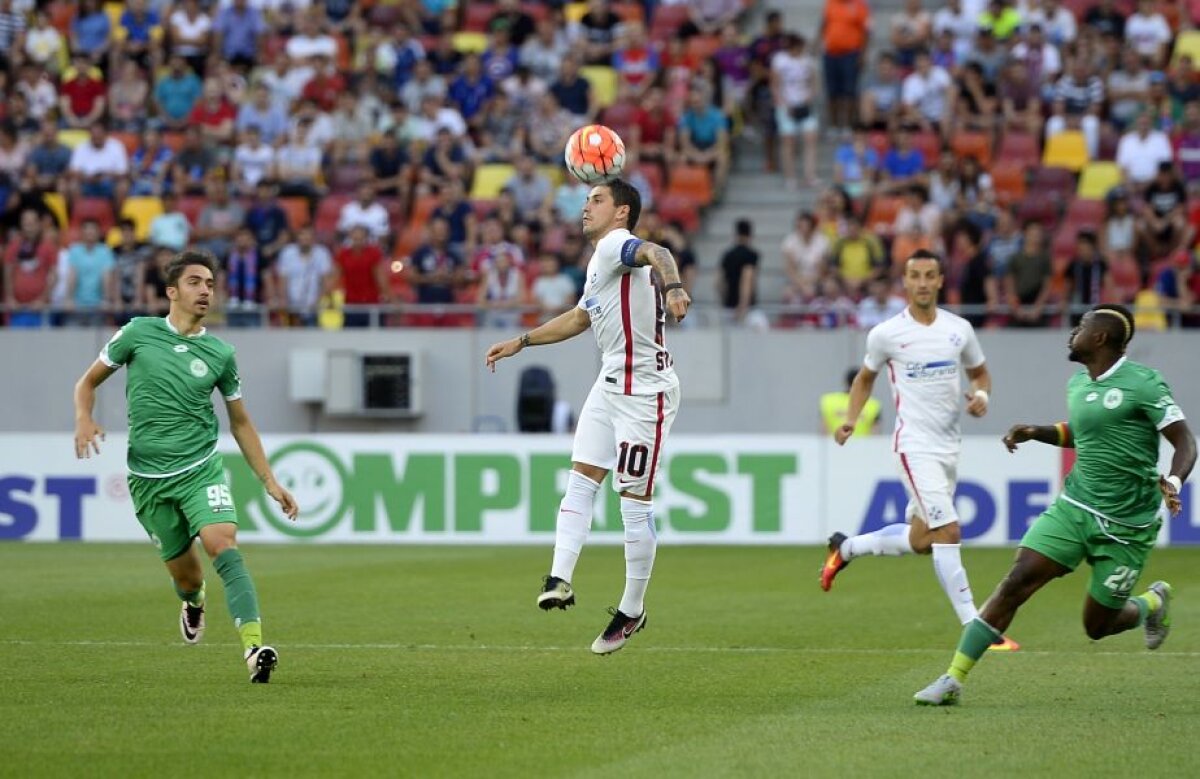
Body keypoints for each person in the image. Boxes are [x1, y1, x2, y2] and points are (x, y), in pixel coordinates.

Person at [915, 304, 1195, 705]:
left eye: (1080, 326)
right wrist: (1037, 432)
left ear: (1099, 338)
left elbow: (1185, 440)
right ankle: (952, 680)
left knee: (1097, 625)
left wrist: (1173, 480)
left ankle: (1152, 602)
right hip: (1075, 507)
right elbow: (1085, 433)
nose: (1072, 332)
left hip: (1126, 526)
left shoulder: (1144, 384)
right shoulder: (1079, 384)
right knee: (1017, 581)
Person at [72, 249, 298, 683]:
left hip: (200, 470)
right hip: (148, 479)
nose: (205, 290)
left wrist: (269, 479)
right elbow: (87, 382)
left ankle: (254, 648)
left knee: (223, 544)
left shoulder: (220, 353)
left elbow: (241, 422)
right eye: (196, 282)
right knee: (188, 577)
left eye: (210, 284)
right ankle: (193, 602)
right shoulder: (138, 333)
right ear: (172, 291)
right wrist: (84, 417)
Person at [484, 178, 690, 655]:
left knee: (633, 504)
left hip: (645, 393)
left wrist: (675, 287)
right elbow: (580, 318)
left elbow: (658, 253)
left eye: (597, 200)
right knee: (580, 479)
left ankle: (633, 609)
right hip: (610, 383)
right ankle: (559, 578)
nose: (585, 207)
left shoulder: (619, 244)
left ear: (621, 212)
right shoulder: (599, 262)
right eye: (586, 199)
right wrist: (522, 341)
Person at [820, 249, 1019, 649]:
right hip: (913, 445)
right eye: (916, 276)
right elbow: (864, 379)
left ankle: (847, 547)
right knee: (948, 530)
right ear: (905, 282)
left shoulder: (958, 329)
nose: (923, 282)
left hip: (949, 447)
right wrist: (850, 419)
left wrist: (982, 396)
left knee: (923, 539)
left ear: (941, 280)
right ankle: (978, 628)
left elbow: (980, 373)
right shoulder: (887, 334)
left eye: (931, 275)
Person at [821, 368, 881, 436]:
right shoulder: (873, 404)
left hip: (836, 444)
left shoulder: (829, 401)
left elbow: (823, 431)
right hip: (863, 446)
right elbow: (875, 434)